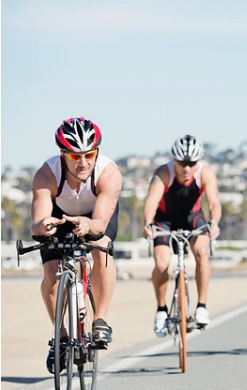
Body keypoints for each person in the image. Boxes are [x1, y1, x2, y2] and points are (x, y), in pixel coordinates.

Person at [30, 117, 122, 373]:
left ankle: (100, 318)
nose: (83, 163)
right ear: (62, 155)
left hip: (95, 216)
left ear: (97, 152)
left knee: (101, 247)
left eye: (89, 154)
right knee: (51, 272)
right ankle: (59, 337)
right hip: (59, 216)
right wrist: (44, 225)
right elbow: (36, 222)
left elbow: (101, 223)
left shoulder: (108, 173)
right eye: (74, 157)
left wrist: (88, 225)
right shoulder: (47, 174)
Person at [142, 135, 221, 336]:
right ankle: (161, 311)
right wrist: (148, 224)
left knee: (202, 252)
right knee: (161, 263)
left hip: (193, 218)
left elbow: (213, 203)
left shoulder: (205, 173)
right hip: (164, 220)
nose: (186, 168)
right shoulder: (164, 173)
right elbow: (151, 202)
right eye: (181, 163)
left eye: (191, 163)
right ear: (173, 160)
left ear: (198, 162)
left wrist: (214, 223)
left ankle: (201, 307)